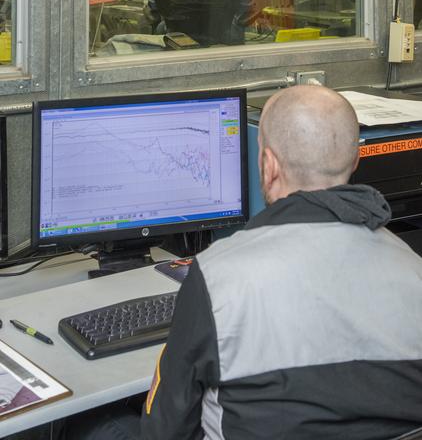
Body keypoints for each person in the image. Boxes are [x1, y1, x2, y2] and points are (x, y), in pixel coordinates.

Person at [65, 85, 422, 440]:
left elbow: (164, 430)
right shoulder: (411, 267)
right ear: (356, 160)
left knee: (89, 425)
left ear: (268, 165)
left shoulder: (219, 277)